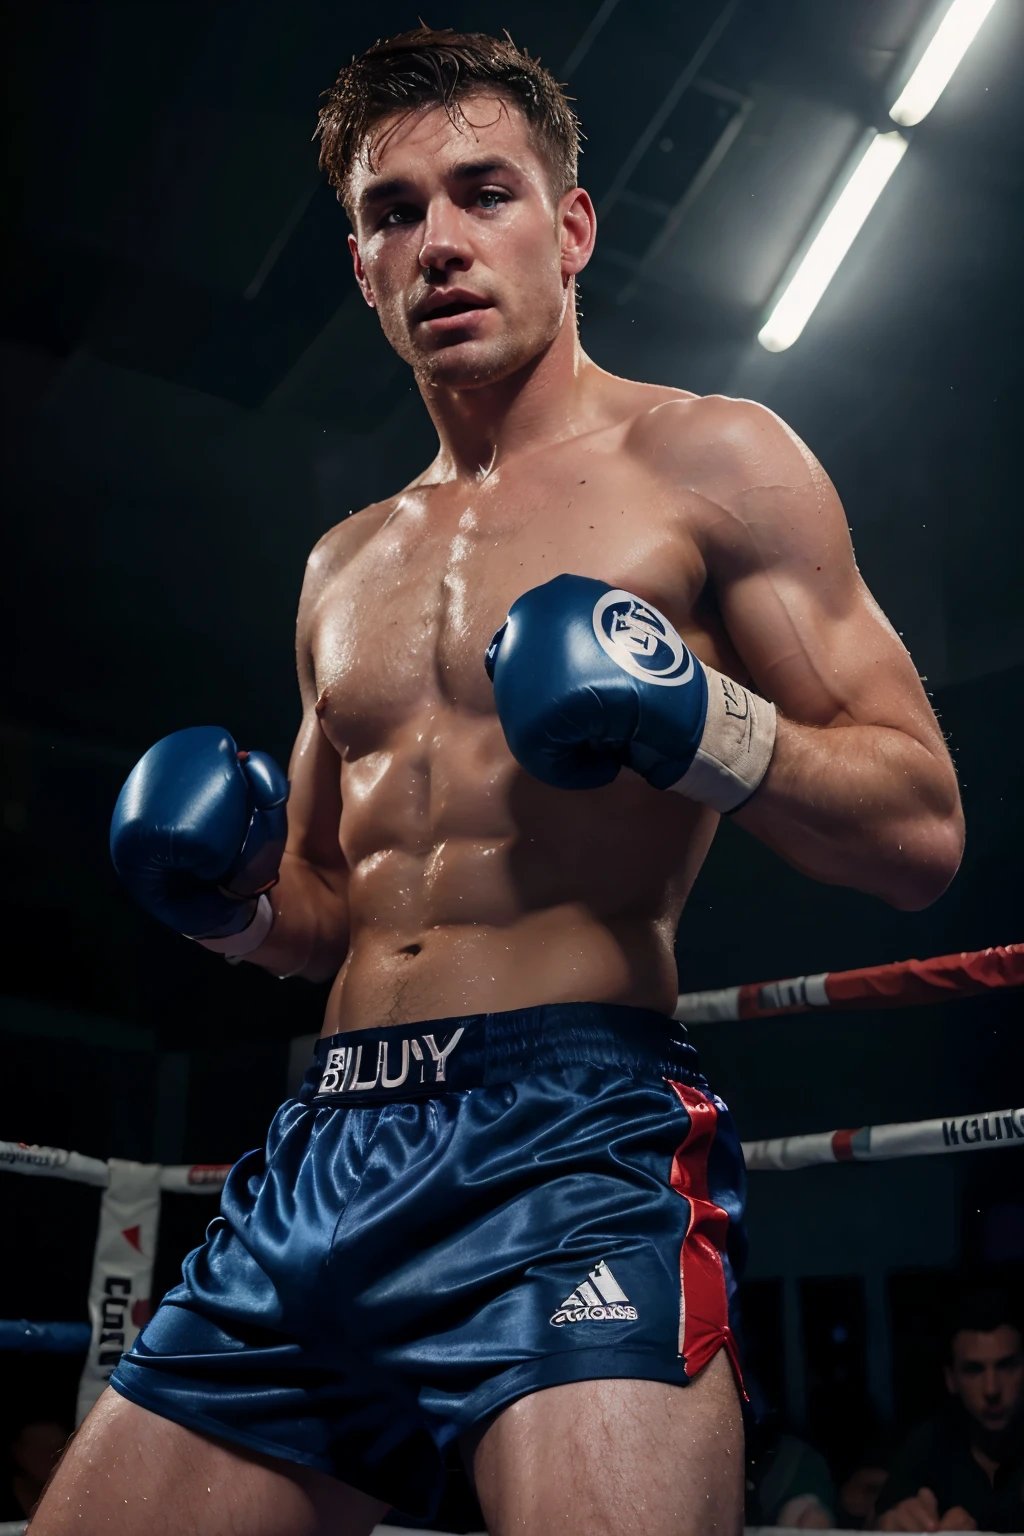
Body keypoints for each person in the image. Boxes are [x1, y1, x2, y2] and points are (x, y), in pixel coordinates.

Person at [32, 27, 964, 1536]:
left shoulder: (712, 462)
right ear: (359, 265)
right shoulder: (345, 564)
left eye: (486, 192)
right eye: (397, 212)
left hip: (570, 1140)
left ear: (573, 226)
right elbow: (332, 912)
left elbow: (921, 825)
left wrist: (691, 718)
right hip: (324, 1151)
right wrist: (229, 906)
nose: (442, 242)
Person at [874, 1291, 1024, 1533]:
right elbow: (881, 1519)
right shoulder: (927, 1445)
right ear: (951, 1379)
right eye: (973, 1370)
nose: (991, 1389)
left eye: (1006, 1366)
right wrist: (891, 1524)